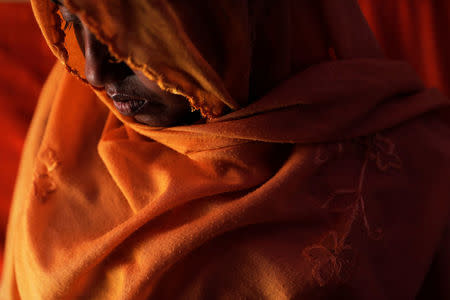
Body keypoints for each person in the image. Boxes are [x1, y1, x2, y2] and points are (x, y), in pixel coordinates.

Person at [1, 0, 449, 299]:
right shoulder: (75, 110)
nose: (96, 71)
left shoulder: (413, 179)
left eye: (136, 40)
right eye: (71, 20)